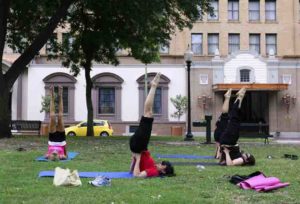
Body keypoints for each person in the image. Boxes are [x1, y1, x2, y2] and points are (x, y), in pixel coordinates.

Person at [129, 73, 175, 178]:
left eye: (163, 165)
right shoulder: (153, 167)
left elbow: (137, 176)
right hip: (139, 146)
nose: (160, 163)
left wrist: (138, 158)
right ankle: (153, 86)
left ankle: (153, 86)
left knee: (148, 113)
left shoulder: (153, 171)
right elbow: (130, 172)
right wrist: (135, 159)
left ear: (163, 171)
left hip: (139, 146)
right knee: (147, 113)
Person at [214, 87, 255, 166]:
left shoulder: (241, 160)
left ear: (247, 160)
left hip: (229, 140)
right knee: (226, 116)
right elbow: (219, 157)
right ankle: (229, 97)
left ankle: (240, 96)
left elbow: (230, 164)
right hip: (224, 140)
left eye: (247, 155)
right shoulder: (239, 155)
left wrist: (226, 152)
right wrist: (221, 149)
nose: (246, 154)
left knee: (234, 117)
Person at [45, 86, 67, 160]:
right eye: (55, 156)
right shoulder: (61, 155)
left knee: (52, 116)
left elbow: (46, 156)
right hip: (61, 140)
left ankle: (51, 95)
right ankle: (60, 95)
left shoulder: (49, 154)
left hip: (52, 140)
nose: (54, 154)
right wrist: (64, 156)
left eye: (53, 156)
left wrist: (49, 156)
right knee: (60, 116)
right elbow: (65, 153)